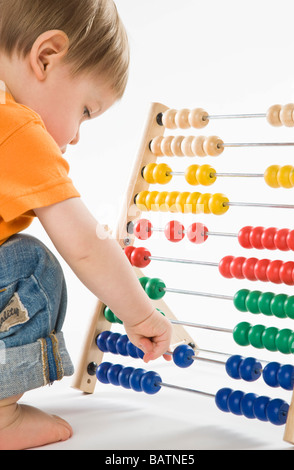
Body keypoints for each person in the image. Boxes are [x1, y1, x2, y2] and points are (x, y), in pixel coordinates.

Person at [0, 0, 172, 450]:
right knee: (32, 266)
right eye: (86, 111)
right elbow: (84, 246)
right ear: (46, 57)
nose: (76, 135)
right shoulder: (16, 127)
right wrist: (141, 314)